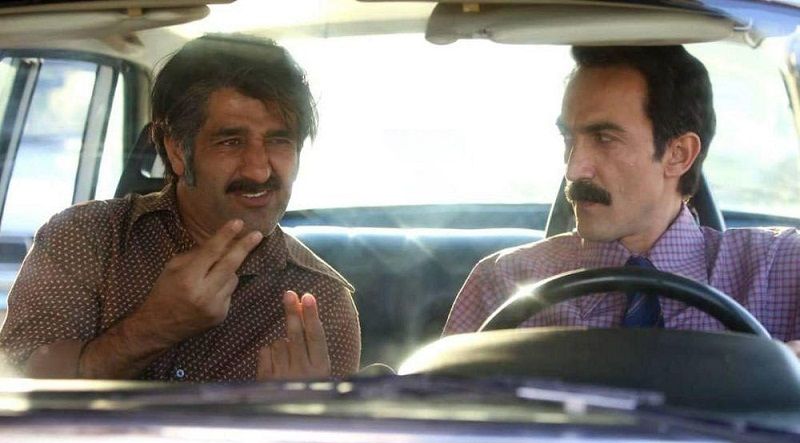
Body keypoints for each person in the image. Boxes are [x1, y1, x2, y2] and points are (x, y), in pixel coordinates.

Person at [0, 34, 361, 381]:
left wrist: (301, 411)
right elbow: (15, 390)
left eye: (279, 141)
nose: (259, 170)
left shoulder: (323, 302)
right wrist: (153, 327)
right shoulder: (85, 238)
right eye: (230, 141)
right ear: (176, 150)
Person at [443, 45, 800, 354]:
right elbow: (442, 405)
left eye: (604, 138)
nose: (573, 169)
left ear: (678, 154)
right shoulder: (504, 280)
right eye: (569, 139)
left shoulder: (778, 268)